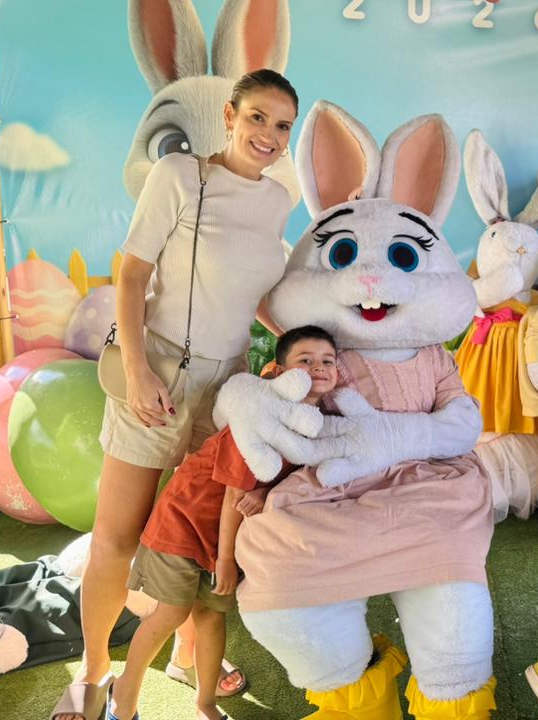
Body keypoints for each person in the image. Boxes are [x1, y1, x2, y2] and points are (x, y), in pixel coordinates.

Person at [52, 69, 298, 720]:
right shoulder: (180, 175)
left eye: (282, 126)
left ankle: (189, 655)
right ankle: (93, 673)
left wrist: (306, 344)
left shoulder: (278, 201)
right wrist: (137, 373)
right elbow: (132, 275)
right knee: (118, 536)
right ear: (229, 116)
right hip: (160, 369)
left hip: (227, 386)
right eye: (257, 117)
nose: (269, 134)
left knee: (196, 534)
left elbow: (255, 295)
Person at [106, 326, 337, 720]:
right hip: (185, 521)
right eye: (306, 360)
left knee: (211, 617)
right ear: (281, 371)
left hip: (224, 535)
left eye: (327, 361)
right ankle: (123, 696)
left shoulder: (317, 422)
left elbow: (293, 476)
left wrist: (264, 495)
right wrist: (226, 560)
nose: (318, 367)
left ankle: (205, 703)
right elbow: (233, 495)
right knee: (172, 612)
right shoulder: (259, 413)